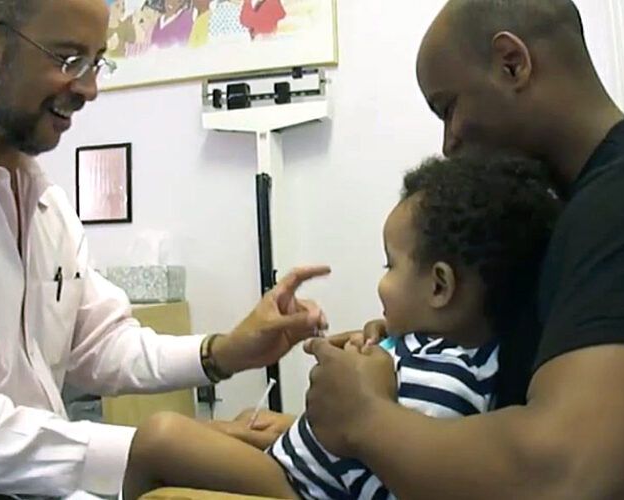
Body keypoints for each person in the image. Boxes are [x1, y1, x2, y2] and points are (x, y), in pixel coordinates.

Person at [299, 1, 624, 499]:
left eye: (448, 107)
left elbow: (572, 479)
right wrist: (402, 350)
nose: (448, 143)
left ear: (512, 63)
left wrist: (363, 418)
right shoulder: (573, 210)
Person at [0, 0, 328, 496]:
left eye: (97, 62)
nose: (89, 88)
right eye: (69, 60)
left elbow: (99, 343)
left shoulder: (44, 202)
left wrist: (222, 352)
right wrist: (149, 450)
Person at [119, 153, 561, 500]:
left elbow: (394, 482)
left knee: (159, 437)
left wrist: (331, 431)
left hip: (306, 489)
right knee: (227, 424)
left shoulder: (448, 382)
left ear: (440, 286)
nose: (382, 282)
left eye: (390, 265)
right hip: (304, 465)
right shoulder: (437, 349)